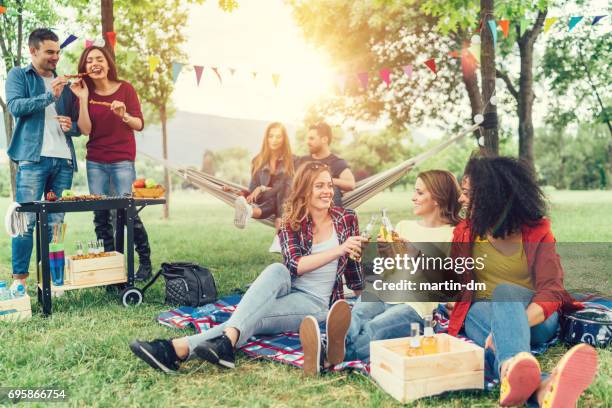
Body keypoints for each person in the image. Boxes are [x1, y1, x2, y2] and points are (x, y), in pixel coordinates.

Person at [128, 162, 367, 373]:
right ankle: (224, 344)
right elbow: (295, 266)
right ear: (305, 190)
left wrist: (362, 297)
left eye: (329, 185)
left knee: (252, 318)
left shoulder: (346, 218)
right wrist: (340, 248)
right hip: (288, 287)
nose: (327, 191)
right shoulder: (289, 222)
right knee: (277, 270)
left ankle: (177, 349)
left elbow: (354, 264)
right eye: (319, 186)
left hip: (315, 302)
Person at [448, 156, 597, 407]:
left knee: (506, 292)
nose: (461, 199)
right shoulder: (464, 232)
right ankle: (541, 387)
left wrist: (508, 325)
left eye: (467, 193)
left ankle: (510, 364)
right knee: (496, 321)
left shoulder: (537, 231)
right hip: (482, 312)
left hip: (537, 317)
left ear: (492, 197)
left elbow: (553, 289)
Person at [299, 170, 462, 372]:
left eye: (419, 193)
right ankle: (328, 350)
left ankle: (324, 354)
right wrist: (386, 254)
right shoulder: (403, 226)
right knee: (356, 316)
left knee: (375, 328)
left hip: (416, 305)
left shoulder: (453, 235)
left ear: (437, 198)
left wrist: (415, 253)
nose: (413, 197)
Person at [69, 46, 152, 281]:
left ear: (108, 64)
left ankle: (144, 263)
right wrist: (83, 100)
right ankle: (110, 268)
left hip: (122, 160)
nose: (94, 63)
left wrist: (123, 115)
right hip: (96, 161)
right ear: (84, 69)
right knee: (101, 215)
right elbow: (85, 130)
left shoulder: (125, 89)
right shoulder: (83, 92)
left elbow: (139, 124)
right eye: (89, 61)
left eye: (99, 59)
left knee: (126, 213)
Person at [6, 28, 80, 289]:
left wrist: (71, 125)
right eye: (50, 52)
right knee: (25, 222)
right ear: (33, 50)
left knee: (56, 224)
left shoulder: (65, 83)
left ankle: (52, 281)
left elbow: (78, 127)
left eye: (58, 52)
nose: (56, 57)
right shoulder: (19, 75)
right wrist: (50, 96)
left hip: (63, 162)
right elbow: (15, 106)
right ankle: (20, 282)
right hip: (33, 159)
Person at [233, 122, 294, 234]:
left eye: (278, 136)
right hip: (264, 200)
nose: (274, 140)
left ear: (284, 139)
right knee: (274, 198)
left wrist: (262, 188)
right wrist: (237, 191)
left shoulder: (291, 161)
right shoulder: (257, 160)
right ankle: (279, 237)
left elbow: (287, 187)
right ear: (266, 138)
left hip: (285, 202)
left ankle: (250, 211)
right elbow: (252, 190)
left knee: (280, 193)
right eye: (271, 136)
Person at [295, 122, 355, 206]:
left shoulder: (336, 162)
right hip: (303, 207)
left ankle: (333, 218)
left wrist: (325, 181)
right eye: (307, 139)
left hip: (326, 207)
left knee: (334, 189)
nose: (307, 142)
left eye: (311, 138)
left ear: (324, 139)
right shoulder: (303, 161)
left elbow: (350, 184)